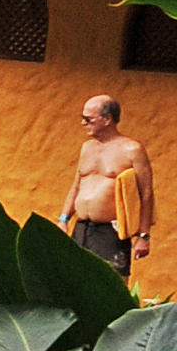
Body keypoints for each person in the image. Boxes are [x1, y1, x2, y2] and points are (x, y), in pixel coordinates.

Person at [54, 94, 154, 277]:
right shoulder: (87, 148)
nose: (83, 123)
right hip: (82, 227)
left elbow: (146, 194)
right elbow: (77, 185)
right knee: (75, 281)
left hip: (110, 231)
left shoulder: (132, 150)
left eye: (88, 119)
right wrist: (63, 219)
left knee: (111, 283)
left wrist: (143, 236)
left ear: (107, 119)